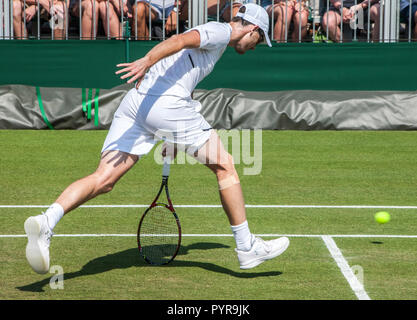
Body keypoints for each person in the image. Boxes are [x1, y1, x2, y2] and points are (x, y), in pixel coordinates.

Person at [24, 3, 289, 274]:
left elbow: (184, 74)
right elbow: (180, 39)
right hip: (164, 105)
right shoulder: (221, 32)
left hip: (136, 105)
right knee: (225, 166)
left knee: (103, 179)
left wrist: (173, 136)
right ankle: (246, 247)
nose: (257, 45)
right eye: (260, 38)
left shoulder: (219, 41)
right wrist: (146, 61)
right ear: (253, 29)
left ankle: (47, 220)